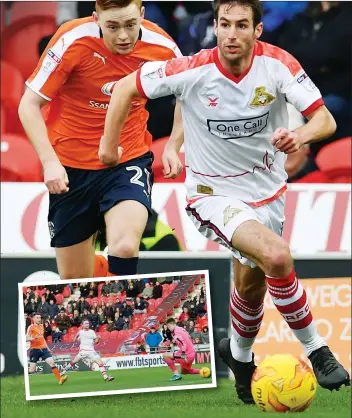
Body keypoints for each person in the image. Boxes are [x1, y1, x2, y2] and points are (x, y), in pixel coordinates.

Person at [102, 0, 350, 401]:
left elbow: (326, 118)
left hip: (269, 192)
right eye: (224, 25)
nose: (231, 34)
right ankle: (317, 349)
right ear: (215, 27)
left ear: (258, 30)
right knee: (277, 256)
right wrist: (109, 150)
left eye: (240, 25)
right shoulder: (192, 67)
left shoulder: (279, 65)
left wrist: (300, 137)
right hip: (213, 194)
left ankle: (238, 356)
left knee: (252, 288)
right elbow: (128, 87)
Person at [18, 0, 183, 281]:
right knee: (75, 279)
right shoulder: (71, 40)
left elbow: (187, 94)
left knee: (126, 246)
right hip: (71, 168)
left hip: (127, 158)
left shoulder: (163, 47)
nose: (123, 36)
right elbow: (28, 105)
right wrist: (49, 163)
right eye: (112, 26)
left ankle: (122, 318)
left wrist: (173, 145)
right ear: (96, 19)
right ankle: (101, 277)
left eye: (131, 24)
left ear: (142, 14)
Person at [26, 313, 68, 384]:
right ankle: (23, 374)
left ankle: (60, 379)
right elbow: (26, 338)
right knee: (31, 370)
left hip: (44, 349)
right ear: (33, 319)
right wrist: (33, 338)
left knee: (52, 363)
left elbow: (42, 338)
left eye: (40, 318)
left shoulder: (42, 326)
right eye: (37, 318)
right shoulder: (31, 327)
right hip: (34, 350)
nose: (39, 319)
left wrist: (48, 348)